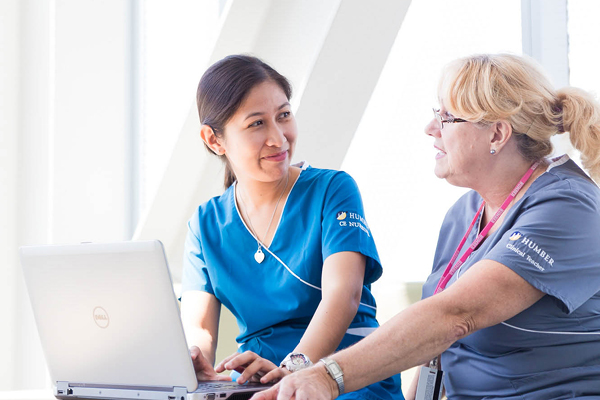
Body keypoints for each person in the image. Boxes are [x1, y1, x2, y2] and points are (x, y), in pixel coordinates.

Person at [253, 53, 600, 400]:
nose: (431, 128)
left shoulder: (567, 207)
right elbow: (435, 339)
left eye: (447, 117)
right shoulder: (465, 212)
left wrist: (328, 377)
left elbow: (454, 315)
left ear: (497, 134)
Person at [179, 54, 403, 400]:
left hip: (345, 376)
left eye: (283, 116)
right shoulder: (206, 224)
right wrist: (195, 364)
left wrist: (295, 367)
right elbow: (199, 329)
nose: (279, 138)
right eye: (256, 124)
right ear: (214, 140)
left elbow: (344, 295)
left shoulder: (333, 190)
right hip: (261, 385)